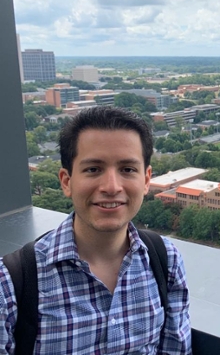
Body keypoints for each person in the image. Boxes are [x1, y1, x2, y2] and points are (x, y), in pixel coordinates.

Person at [0, 107, 192, 354]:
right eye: (93, 169)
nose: (111, 187)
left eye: (127, 169)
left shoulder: (166, 261)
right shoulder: (11, 282)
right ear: (67, 181)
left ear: (146, 180)